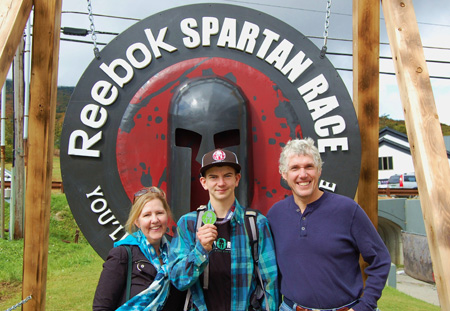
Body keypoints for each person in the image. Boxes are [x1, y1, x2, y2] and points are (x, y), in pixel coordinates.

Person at [267, 138, 391, 311]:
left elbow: (381, 259)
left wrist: (366, 305)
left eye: (309, 166)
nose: (303, 174)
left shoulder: (347, 210)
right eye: (294, 168)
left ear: (319, 170)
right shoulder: (275, 215)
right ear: (284, 174)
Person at [169, 148, 279, 311]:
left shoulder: (256, 223)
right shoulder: (188, 224)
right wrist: (200, 250)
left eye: (227, 175)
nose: (221, 183)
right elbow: (178, 280)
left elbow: (270, 282)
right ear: (204, 182)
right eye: (213, 177)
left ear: (237, 179)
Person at [93, 186, 185, 311]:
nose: (155, 220)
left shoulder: (175, 257)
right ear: (137, 221)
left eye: (159, 213)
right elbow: (101, 307)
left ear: (167, 215)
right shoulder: (122, 254)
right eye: (147, 215)